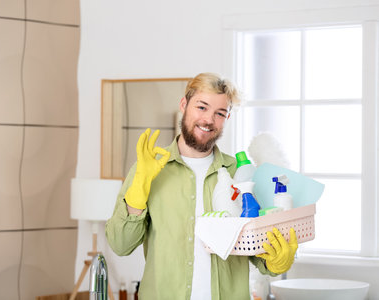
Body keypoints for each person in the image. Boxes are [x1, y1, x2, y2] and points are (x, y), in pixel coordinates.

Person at [105, 73, 297, 299]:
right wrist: (138, 191)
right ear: (184, 105)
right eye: (202, 107)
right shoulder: (149, 169)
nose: (208, 120)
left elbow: (259, 253)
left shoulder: (241, 175)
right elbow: (121, 245)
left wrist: (276, 261)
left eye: (220, 113)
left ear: (227, 117)